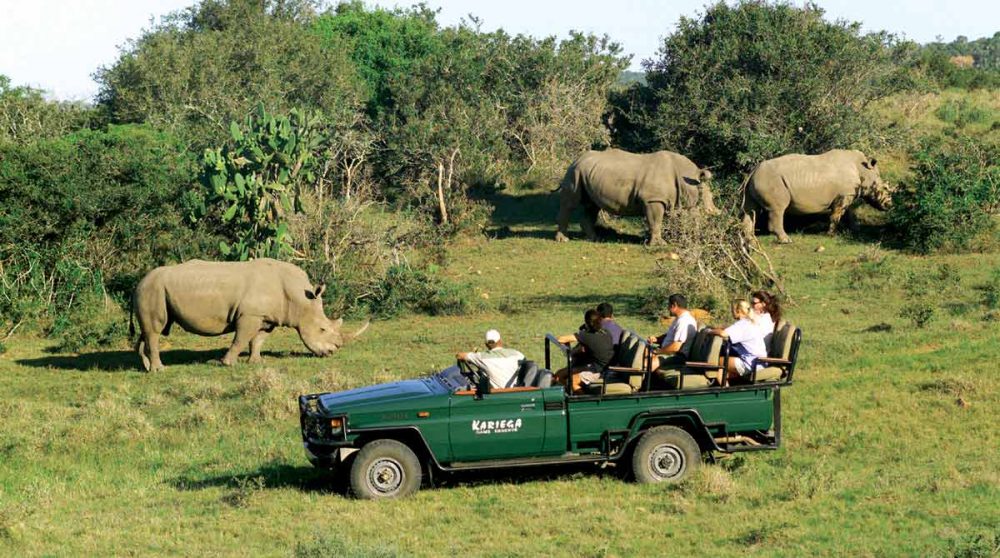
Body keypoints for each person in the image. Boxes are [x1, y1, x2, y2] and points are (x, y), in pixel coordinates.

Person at [554, 309, 614, 394]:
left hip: (599, 370)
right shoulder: (606, 332)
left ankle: (583, 403)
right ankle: (570, 394)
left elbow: (561, 339)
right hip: (596, 365)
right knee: (558, 375)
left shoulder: (587, 336)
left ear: (587, 323)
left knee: (572, 381)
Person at [708, 300, 767, 383]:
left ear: (738, 311)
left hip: (752, 363)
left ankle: (726, 392)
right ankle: (726, 393)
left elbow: (723, 333)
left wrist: (709, 331)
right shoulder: (748, 322)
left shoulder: (743, 324)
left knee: (715, 361)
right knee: (720, 371)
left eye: (732, 309)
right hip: (757, 362)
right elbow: (727, 330)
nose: (731, 311)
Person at [456, 329, 525, 389]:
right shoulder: (517, 354)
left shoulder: (481, 357)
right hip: (515, 390)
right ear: (500, 341)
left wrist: (472, 353)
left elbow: (459, 356)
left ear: (486, 344)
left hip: (496, 394)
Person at [647, 293, 698, 369]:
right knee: (644, 353)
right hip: (668, 352)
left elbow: (675, 347)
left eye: (668, 305)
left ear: (674, 305)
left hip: (677, 356)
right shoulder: (679, 319)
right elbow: (670, 335)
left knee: (648, 363)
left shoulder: (684, 321)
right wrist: (657, 339)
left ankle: (646, 380)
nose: (668, 308)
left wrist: (658, 351)